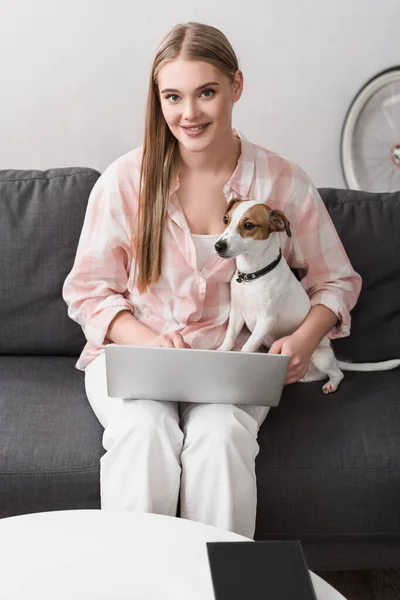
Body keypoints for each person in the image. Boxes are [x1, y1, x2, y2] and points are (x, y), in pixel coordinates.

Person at [62, 21, 362, 539]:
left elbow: (336, 282)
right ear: (157, 100)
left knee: (221, 437)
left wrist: (302, 339)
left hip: (233, 369)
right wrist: (152, 341)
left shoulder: (283, 181)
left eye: (206, 92)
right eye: (172, 97)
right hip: (138, 357)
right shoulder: (124, 182)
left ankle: (219, 588)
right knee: (143, 430)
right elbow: (89, 292)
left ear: (236, 87)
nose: (189, 113)